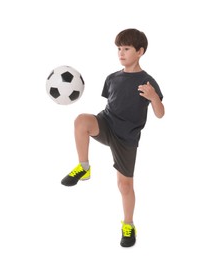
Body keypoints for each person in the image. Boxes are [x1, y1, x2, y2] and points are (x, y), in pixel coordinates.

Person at [61, 28, 165, 247]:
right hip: (106, 124)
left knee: (124, 186)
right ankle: (84, 166)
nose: (121, 53)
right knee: (81, 120)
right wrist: (100, 125)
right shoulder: (112, 78)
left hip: (126, 139)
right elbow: (111, 104)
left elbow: (160, 113)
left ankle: (128, 225)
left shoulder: (148, 82)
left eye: (126, 49)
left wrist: (154, 97)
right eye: (119, 48)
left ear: (140, 51)